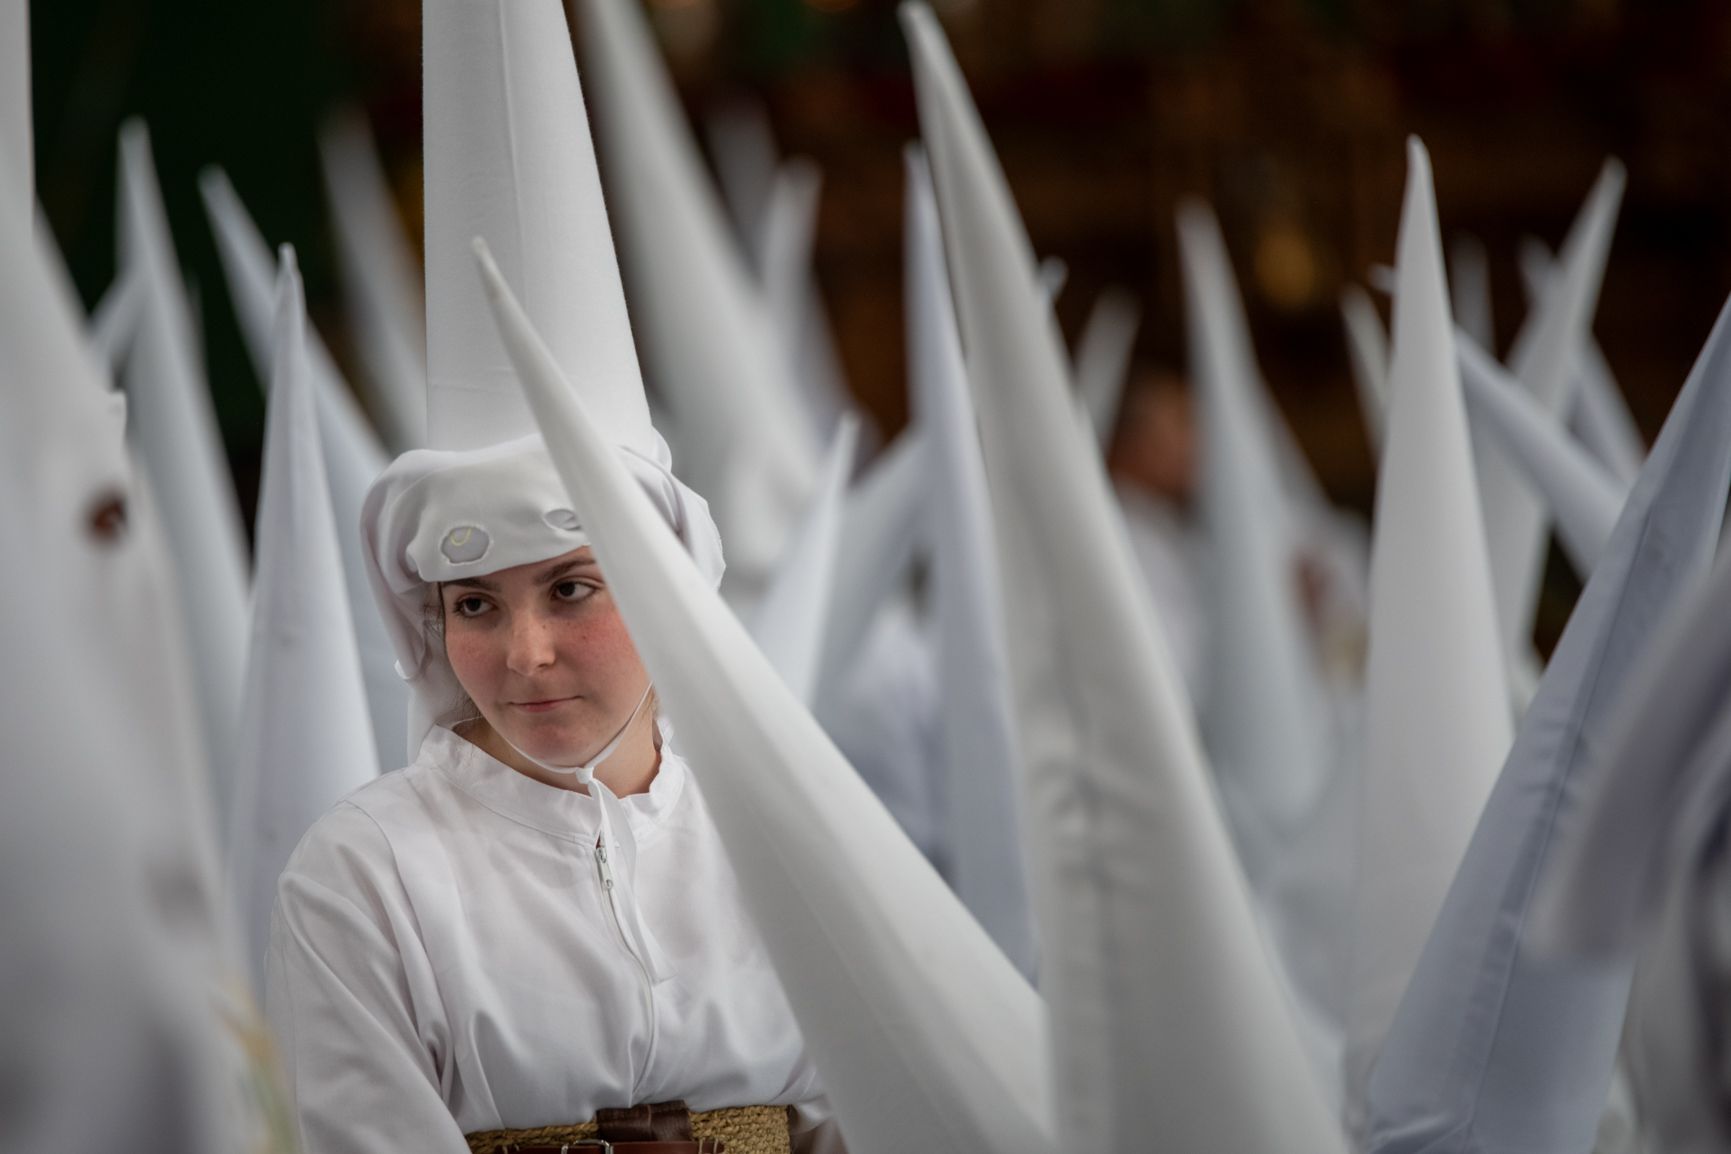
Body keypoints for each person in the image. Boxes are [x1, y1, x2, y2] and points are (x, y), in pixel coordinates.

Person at [262, 3, 834, 1151]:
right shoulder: (364, 877)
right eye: (474, 602)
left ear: (673, 582)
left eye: (573, 586)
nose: (523, 652)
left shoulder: (781, 829)